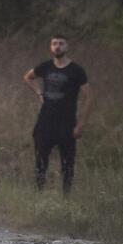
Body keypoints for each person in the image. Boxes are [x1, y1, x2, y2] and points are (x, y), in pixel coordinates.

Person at [22, 34, 93, 194]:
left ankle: (66, 197)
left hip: (67, 123)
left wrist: (81, 124)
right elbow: (27, 77)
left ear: (66, 47)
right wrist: (39, 93)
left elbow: (89, 97)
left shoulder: (76, 70)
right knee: (41, 161)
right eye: (54, 44)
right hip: (46, 121)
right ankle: (38, 195)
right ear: (50, 47)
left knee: (67, 164)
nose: (57, 46)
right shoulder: (46, 66)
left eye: (61, 44)